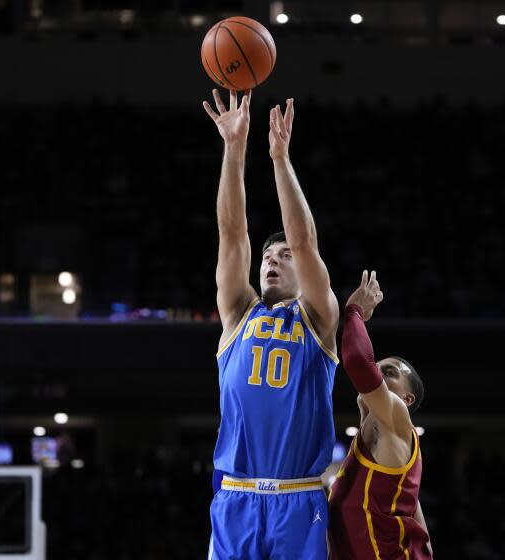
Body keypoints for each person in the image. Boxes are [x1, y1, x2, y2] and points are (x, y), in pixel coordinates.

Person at [202, 88, 340, 559]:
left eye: (283, 257)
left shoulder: (318, 318)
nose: (271, 263)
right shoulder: (239, 312)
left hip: (298, 497)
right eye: (267, 257)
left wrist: (279, 158)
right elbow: (231, 230)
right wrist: (233, 147)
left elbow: (305, 241)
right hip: (235, 496)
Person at [329, 271, 433, 559]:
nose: (379, 377)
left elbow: (359, 362)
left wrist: (354, 312)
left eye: (389, 373)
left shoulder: (397, 419)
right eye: (380, 370)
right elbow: (416, 517)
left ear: (406, 399)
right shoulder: (378, 440)